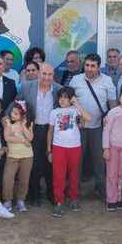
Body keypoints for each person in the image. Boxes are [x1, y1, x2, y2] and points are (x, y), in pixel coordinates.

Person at [69, 53, 117, 197]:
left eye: (93, 66)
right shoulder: (76, 79)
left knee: (99, 160)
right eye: (87, 65)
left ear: (98, 67)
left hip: (99, 128)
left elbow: (112, 104)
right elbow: (70, 101)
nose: (89, 69)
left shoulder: (107, 81)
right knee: (77, 160)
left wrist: (111, 122)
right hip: (79, 127)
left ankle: (101, 188)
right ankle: (74, 189)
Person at [18, 63, 61, 206]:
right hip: (33, 130)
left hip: (52, 132)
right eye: (44, 74)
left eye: (50, 75)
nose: (47, 77)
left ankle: (51, 193)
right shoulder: (26, 87)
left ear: (53, 75)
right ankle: (34, 195)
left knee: (51, 164)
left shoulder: (59, 90)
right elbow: (16, 106)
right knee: (34, 164)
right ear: (39, 73)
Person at [47, 87, 91, 218]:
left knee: (74, 174)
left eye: (66, 97)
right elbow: (50, 131)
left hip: (75, 147)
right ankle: (59, 201)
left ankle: (73, 198)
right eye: (60, 97)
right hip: (58, 147)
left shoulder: (76, 110)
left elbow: (88, 118)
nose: (62, 100)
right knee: (58, 176)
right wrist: (49, 150)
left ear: (71, 98)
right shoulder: (54, 112)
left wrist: (77, 104)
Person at [2, 101, 34, 213]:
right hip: (12, 156)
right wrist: (22, 140)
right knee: (8, 179)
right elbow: (7, 137)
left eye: (16, 113)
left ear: (22, 115)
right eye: (12, 112)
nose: (12, 115)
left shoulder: (28, 124)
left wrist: (24, 126)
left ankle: (21, 200)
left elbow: (30, 138)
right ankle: (7, 200)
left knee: (24, 180)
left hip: (27, 156)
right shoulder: (8, 123)